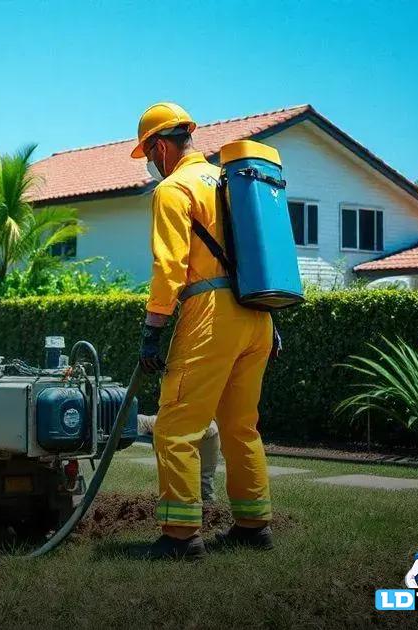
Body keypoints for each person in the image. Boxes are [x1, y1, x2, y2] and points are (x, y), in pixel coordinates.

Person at [133, 103, 280, 560]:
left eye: (149, 155)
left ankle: (180, 537)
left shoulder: (174, 189)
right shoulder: (233, 183)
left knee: (176, 427)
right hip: (258, 312)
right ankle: (253, 526)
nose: (152, 166)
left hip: (211, 313)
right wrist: (272, 319)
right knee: (241, 427)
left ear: (160, 146)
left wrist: (152, 329)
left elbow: (169, 267)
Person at [138, 415, 219, 503]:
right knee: (205, 480)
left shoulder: (154, 423)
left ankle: (189, 504)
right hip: (209, 428)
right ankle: (209, 506)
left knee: (181, 480)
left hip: (188, 429)